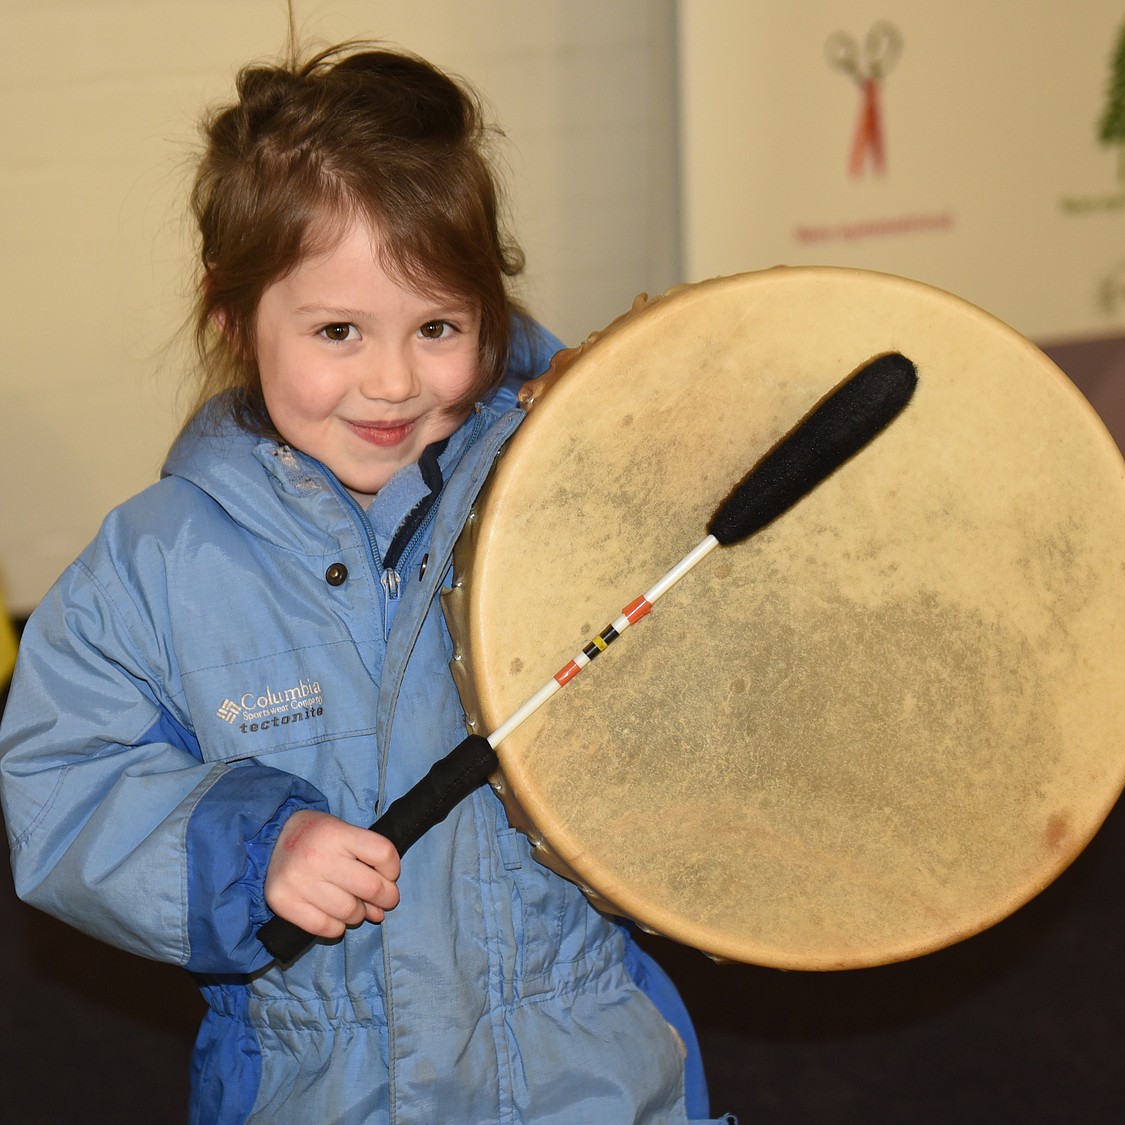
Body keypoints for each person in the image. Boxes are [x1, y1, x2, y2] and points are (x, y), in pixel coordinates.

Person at [0, 42, 729, 1124]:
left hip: (586, 1062)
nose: (393, 382)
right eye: (338, 332)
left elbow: (708, 708)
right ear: (232, 316)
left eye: (438, 328)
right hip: (319, 1083)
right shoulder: (154, 567)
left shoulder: (564, 492)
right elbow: (61, 776)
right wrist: (252, 851)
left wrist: (630, 443)